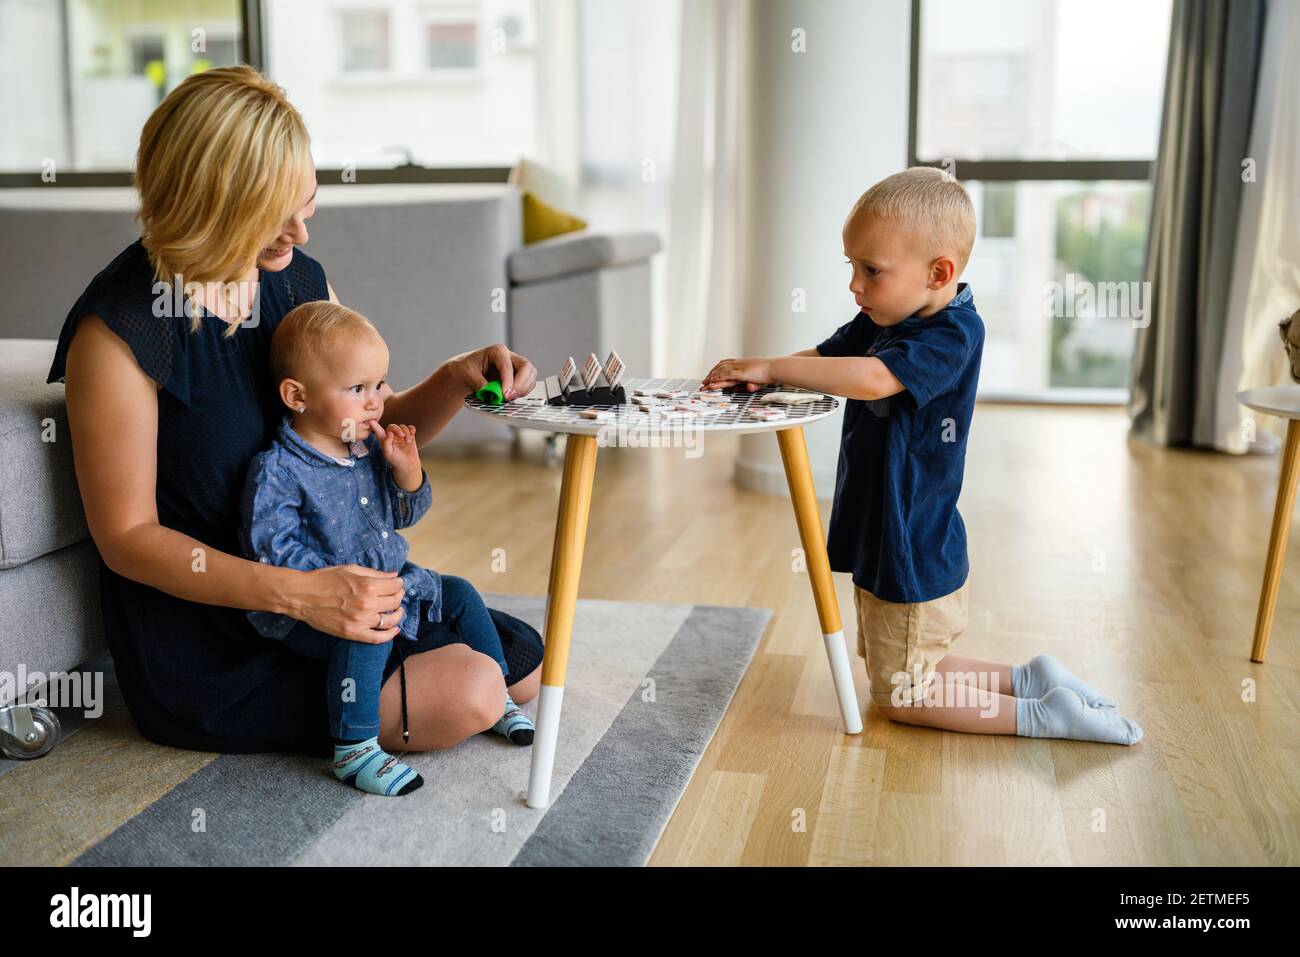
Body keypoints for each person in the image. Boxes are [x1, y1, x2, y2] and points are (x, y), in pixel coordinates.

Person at [46, 64, 543, 760]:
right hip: (214, 640)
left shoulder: (295, 281)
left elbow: (365, 426)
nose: (301, 236)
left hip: (323, 599)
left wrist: (455, 380)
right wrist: (301, 595)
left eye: (306, 205)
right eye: (276, 218)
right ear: (207, 202)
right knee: (473, 689)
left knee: (524, 664)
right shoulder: (121, 330)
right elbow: (126, 535)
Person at [701, 167, 1142, 745]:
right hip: (884, 534)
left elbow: (874, 379)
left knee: (902, 697)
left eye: (871, 271)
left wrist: (773, 368)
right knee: (908, 665)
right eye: (851, 267)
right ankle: (1029, 679)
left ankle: (1042, 716)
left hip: (911, 540)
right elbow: (828, 360)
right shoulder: (884, 317)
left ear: (940, 273)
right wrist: (763, 372)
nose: (856, 286)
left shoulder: (954, 332)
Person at [240, 301, 535, 796]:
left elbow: (404, 515)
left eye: (380, 385)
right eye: (358, 389)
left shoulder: (364, 448)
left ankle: (499, 692)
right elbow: (273, 551)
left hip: (388, 584)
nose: (377, 401)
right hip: (314, 609)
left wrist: (407, 472)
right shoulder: (278, 471)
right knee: (369, 627)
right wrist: (348, 588)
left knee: (459, 591)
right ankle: (353, 747)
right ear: (297, 395)